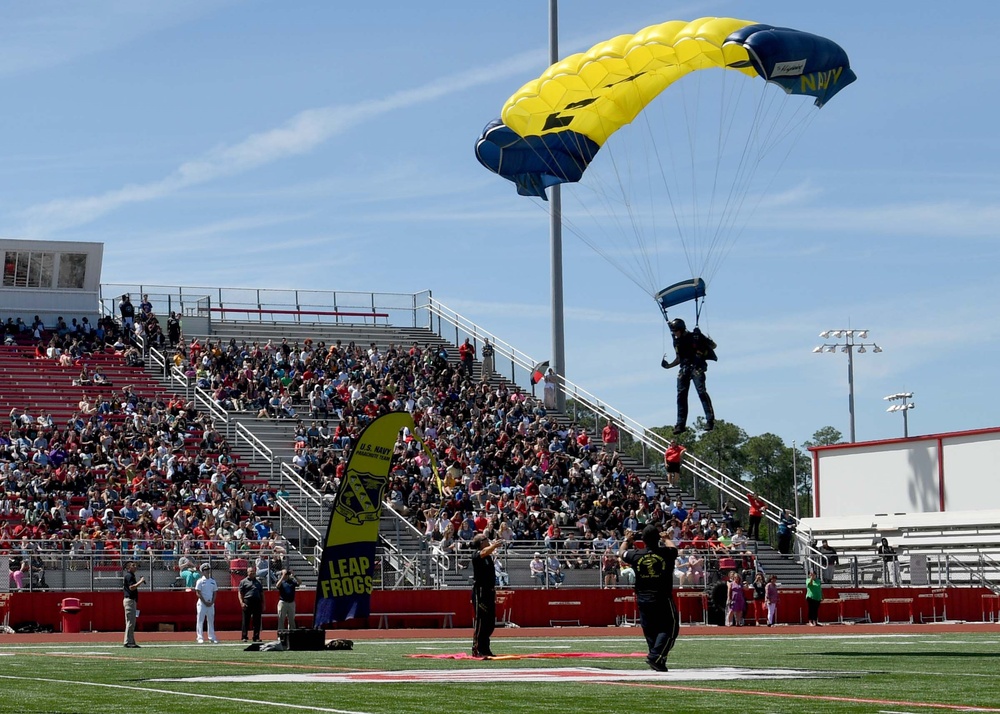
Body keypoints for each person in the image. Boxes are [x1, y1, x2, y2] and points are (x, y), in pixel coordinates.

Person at [619, 525, 679, 672]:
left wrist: (628, 539)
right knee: (670, 628)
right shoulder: (666, 553)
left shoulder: (636, 555)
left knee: (651, 630)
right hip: (662, 597)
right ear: (657, 538)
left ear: (643, 540)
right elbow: (674, 548)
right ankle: (656, 656)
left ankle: (658, 660)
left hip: (643, 598)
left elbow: (621, 553)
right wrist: (666, 538)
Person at [660, 318, 716, 435]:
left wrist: (703, 337)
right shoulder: (677, 341)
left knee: (701, 392)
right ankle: (680, 424)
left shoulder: (695, 336)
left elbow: (713, 346)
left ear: (681, 329)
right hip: (685, 368)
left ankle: (710, 420)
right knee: (681, 395)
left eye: (676, 331)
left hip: (696, 367)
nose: (674, 334)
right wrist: (668, 366)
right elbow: (679, 358)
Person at [470, 533, 502, 658]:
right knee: (481, 621)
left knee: (489, 622)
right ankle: (477, 648)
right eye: (485, 539)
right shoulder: (477, 555)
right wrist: (494, 546)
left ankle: (485, 648)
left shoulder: (488, 557)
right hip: (480, 592)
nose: (488, 540)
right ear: (481, 542)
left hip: (489, 591)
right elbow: (483, 553)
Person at [238, 563, 265, 642]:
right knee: (246, 620)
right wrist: (241, 602)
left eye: (253, 572)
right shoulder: (243, 582)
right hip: (247, 601)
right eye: (250, 572)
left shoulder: (258, 582)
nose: (252, 573)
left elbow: (262, 593)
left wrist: (263, 604)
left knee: (257, 620)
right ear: (247, 573)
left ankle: (256, 637)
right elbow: (240, 593)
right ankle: (244, 636)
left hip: (257, 602)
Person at [194, 563, 219, 644]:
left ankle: (212, 637)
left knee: (211, 620)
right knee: (200, 620)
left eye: (208, 570)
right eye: (205, 570)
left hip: (210, 603)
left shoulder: (213, 581)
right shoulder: (200, 581)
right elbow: (198, 592)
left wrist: (212, 602)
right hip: (202, 603)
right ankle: (200, 637)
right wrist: (204, 602)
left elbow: (215, 592)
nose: (207, 571)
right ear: (202, 571)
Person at [122, 560, 145, 648]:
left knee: (131, 622)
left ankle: (131, 641)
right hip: (129, 601)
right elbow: (131, 587)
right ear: (128, 567)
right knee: (130, 622)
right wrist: (141, 581)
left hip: (131, 601)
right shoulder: (129, 576)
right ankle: (128, 641)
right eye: (133, 565)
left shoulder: (131, 576)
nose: (135, 567)